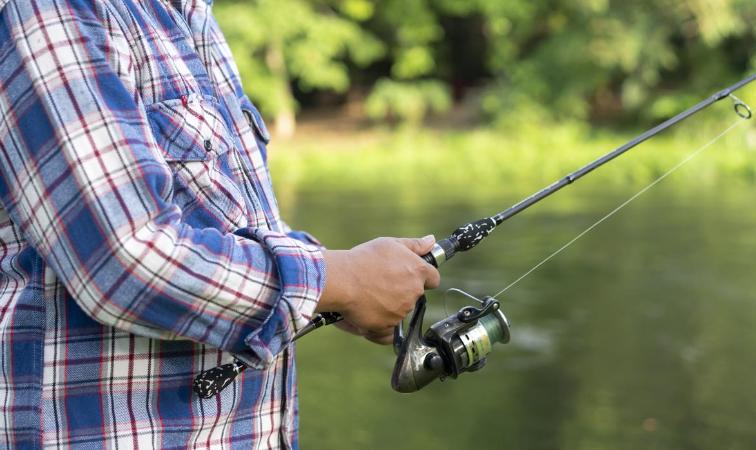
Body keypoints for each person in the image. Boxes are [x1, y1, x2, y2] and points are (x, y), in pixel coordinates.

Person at [0, 0, 439, 447]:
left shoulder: (189, 16)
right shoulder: (50, 10)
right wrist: (337, 278)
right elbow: (125, 258)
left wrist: (346, 281)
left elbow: (227, 222)